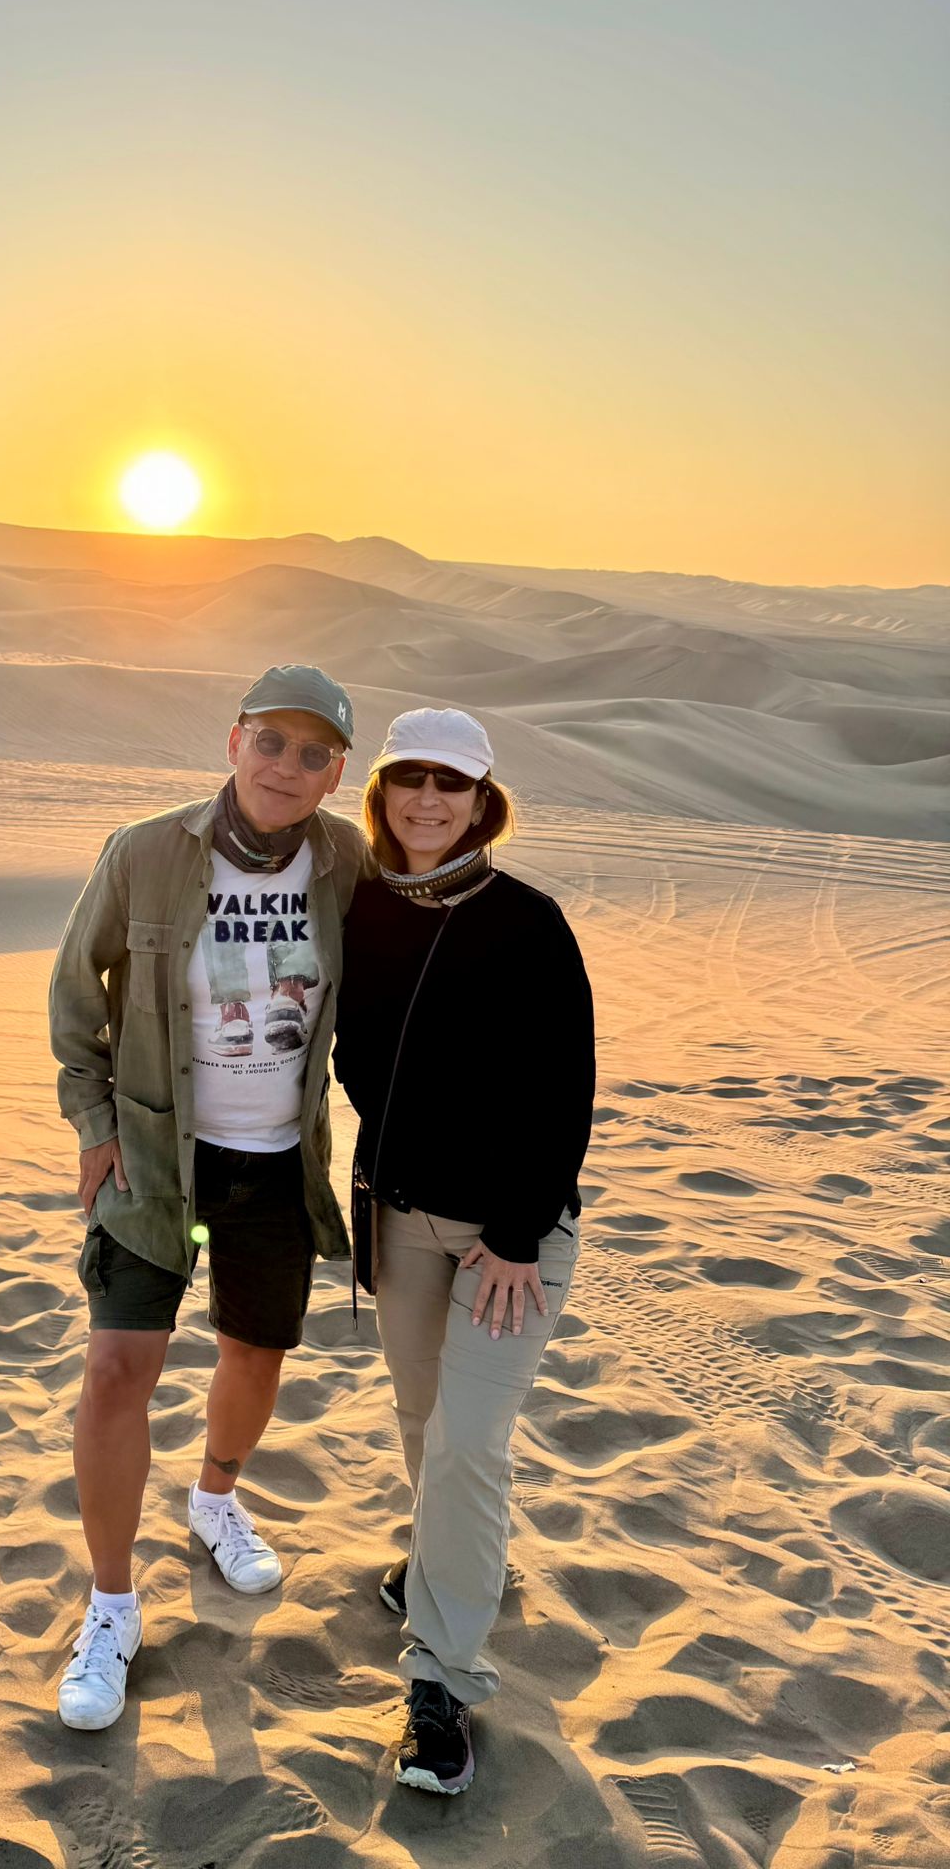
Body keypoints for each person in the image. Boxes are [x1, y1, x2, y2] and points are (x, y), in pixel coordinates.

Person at [48, 665, 369, 1730]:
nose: (287, 766)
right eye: (271, 741)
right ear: (234, 740)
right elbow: (72, 990)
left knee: (254, 1351)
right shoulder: (146, 853)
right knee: (114, 1369)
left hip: (276, 1161)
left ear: (337, 772)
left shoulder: (347, 865)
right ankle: (111, 1605)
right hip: (153, 1154)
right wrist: (93, 1122)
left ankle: (216, 1499)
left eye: (314, 752)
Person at [334, 707, 595, 1795]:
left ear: (485, 799)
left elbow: (563, 1089)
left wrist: (515, 1232)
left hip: (510, 1241)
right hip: (399, 1221)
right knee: (418, 1422)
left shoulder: (527, 921)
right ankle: (444, 1567)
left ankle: (441, 1680)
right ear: (384, 792)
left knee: (469, 1441)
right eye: (409, 778)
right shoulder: (361, 908)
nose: (428, 799)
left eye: (453, 782)